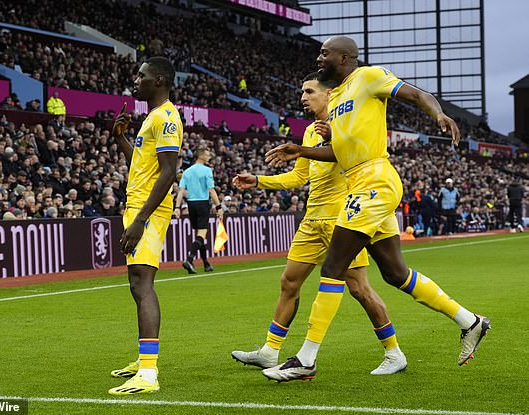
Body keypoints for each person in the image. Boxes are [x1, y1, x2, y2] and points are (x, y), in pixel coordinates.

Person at [264, 36, 489, 380]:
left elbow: (416, 94)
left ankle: (306, 358)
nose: (319, 56)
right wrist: (303, 150)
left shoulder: (368, 77)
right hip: (360, 184)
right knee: (395, 273)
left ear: (345, 57)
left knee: (334, 265)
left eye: (325, 52)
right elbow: (340, 154)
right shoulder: (336, 96)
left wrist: (438, 113)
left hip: (375, 180)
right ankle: (470, 322)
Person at [230, 74, 406, 377]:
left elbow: (353, 157)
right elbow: (299, 177)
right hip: (312, 220)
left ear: (329, 95)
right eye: (301, 91)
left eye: (309, 91)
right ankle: (270, 351)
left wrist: (332, 138)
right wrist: (258, 180)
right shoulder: (309, 131)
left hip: (344, 220)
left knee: (360, 289)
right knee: (289, 282)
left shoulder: (347, 125)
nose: (303, 97)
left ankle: (394, 353)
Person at [108, 57, 182, 395]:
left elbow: (169, 172)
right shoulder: (151, 118)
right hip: (138, 205)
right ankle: (143, 359)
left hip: (147, 211)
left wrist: (140, 220)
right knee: (136, 282)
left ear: (161, 80)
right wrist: (120, 138)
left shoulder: (166, 117)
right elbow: (141, 166)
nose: (136, 80)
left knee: (143, 283)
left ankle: (149, 372)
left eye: (142, 75)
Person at [175, 148, 223, 274]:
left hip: (191, 204)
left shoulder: (187, 171)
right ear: (201, 156)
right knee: (201, 235)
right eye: (207, 154)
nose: (209, 156)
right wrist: (219, 207)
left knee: (200, 235)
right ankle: (189, 259)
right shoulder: (207, 170)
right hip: (202, 203)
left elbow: (181, 191)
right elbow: (211, 190)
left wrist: (177, 208)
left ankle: (206, 263)